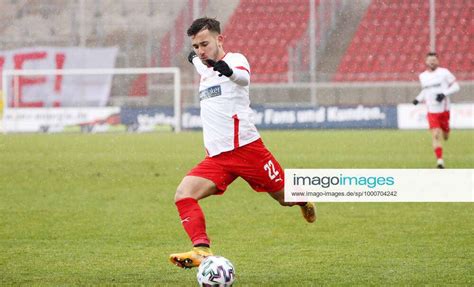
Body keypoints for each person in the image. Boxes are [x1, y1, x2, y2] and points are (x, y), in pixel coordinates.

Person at [169, 17, 316, 269]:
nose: (201, 50)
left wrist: (227, 70)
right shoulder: (202, 66)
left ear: (220, 39)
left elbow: (242, 78)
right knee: (183, 194)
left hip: (248, 151)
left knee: (284, 197)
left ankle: (304, 200)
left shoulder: (236, 60)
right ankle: (201, 249)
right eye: (196, 46)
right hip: (217, 158)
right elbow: (196, 61)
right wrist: (193, 58)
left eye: (205, 44)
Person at [412, 52, 460, 168]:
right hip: (431, 110)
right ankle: (440, 161)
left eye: (434, 60)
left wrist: (444, 94)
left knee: (445, 135)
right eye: (430, 60)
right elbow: (426, 90)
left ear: (437, 61)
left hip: (444, 109)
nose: (432, 62)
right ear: (426, 62)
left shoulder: (444, 73)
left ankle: (447, 130)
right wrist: (418, 99)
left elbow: (456, 86)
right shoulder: (422, 76)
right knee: (436, 134)